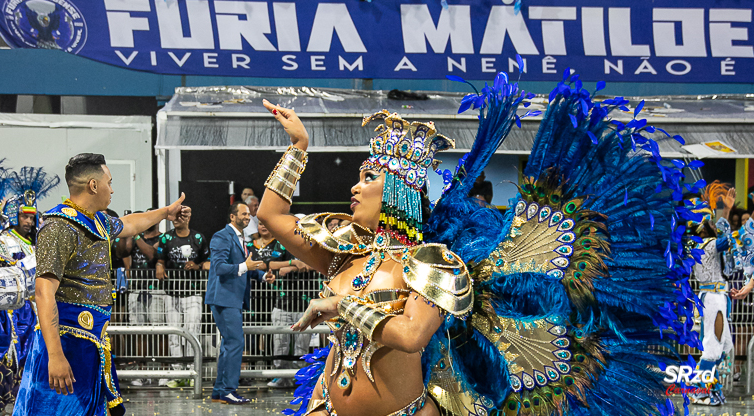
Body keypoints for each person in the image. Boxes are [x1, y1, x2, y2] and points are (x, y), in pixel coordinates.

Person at [259, 68, 699, 416]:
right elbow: (271, 216)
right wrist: (299, 146)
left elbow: (412, 336)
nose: (355, 188)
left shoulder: (431, 262)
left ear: (395, 189)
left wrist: (342, 307)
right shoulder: (344, 255)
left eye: (368, 178)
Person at [13, 153, 189, 416]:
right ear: (93, 185)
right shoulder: (58, 225)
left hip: (92, 342)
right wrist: (55, 356)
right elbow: (43, 291)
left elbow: (130, 224)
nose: (112, 188)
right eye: (109, 181)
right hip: (65, 342)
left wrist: (165, 212)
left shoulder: (97, 220)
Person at [0, 165, 59, 416]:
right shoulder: (4, 242)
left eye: (32, 217)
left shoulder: (30, 243)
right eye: (24, 216)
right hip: (1, 315)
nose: (29, 221)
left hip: (22, 311)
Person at [206, 201, 275, 405]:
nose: (248, 217)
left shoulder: (240, 238)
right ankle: (228, 390)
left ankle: (220, 391)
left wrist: (262, 276)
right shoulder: (221, 236)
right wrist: (244, 265)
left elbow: (247, 267)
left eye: (249, 214)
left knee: (229, 345)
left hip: (231, 299)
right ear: (232, 216)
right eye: (243, 213)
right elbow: (219, 267)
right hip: (224, 299)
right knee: (235, 344)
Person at [686, 190, 735, 406]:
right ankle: (698, 390)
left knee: (725, 347)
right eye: (711, 222)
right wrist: (727, 209)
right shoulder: (707, 245)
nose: (714, 225)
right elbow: (726, 240)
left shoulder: (698, 245)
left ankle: (710, 387)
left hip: (717, 297)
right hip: (713, 298)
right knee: (713, 347)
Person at [155, 206, 210, 387]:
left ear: (189, 217)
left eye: (182, 216)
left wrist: (197, 266)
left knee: (192, 331)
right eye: (175, 217)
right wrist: (160, 265)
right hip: (171, 293)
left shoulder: (198, 238)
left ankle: (192, 372)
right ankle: (177, 373)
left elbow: (208, 262)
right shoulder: (166, 238)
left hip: (193, 293)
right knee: (174, 333)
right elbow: (160, 259)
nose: (178, 219)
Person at [245, 222, 303, 388]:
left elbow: (293, 264)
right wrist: (286, 264)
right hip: (253, 297)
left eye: (266, 223)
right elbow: (262, 265)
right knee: (253, 335)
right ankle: (253, 372)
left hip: (276, 296)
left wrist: (287, 264)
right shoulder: (249, 245)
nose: (263, 226)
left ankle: (278, 372)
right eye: (260, 223)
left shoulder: (281, 244)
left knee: (274, 337)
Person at [117, 209, 166, 387]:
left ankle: (163, 371)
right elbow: (122, 252)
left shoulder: (163, 238)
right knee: (139, 331)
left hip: (156, 290)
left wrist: (136, 234)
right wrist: (126, 232)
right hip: (136, 289)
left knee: (160, 332)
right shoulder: (134, 237)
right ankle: (142, 371)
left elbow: (152, 255)